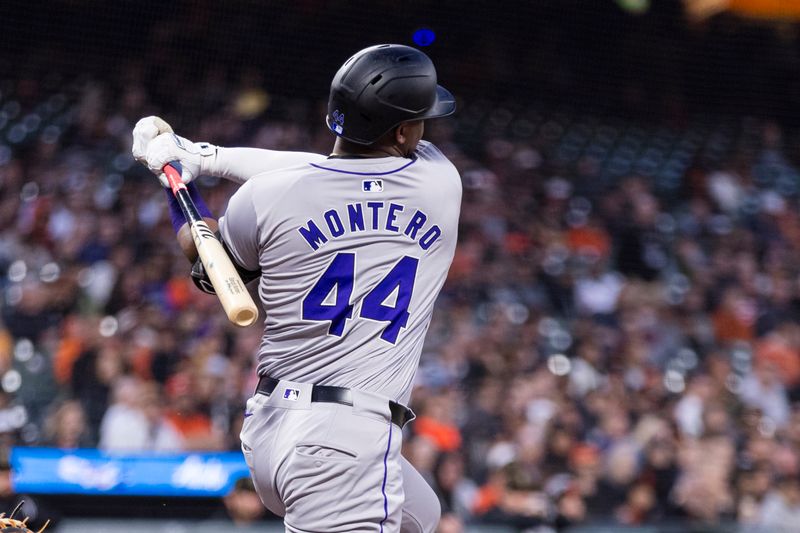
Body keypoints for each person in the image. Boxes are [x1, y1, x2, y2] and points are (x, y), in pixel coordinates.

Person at [132, 44, 460, 532]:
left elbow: (206, 260)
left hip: (270, 429)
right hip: (343, 439)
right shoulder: (440, 185)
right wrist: (206, 157)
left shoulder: (264, 198)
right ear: (402, 131)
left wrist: (179, 170)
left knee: (423, 517)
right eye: (420, 119)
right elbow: (332, 170)